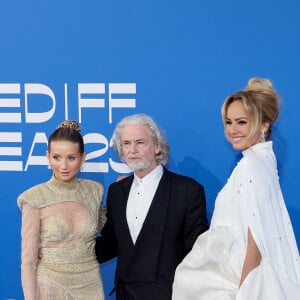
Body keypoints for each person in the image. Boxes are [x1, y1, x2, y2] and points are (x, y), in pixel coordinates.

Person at [172, 78, 300, 299]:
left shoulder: (252, 165)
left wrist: (243, 292)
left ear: (264, 124)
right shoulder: (263, 161)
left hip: (238, 284)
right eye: (228, 122)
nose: (232, 130)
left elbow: (256, 243)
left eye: (241, 122)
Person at [95, 113, 209, 300]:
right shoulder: (116, 191)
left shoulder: (187, 190)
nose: (132, 150)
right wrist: (62, 254)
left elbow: (198, 252)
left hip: (170, 294)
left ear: (156, 146)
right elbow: (111, 243)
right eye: (126, 143)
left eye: (140, 142)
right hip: (125, 294)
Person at [17, 120, 107, 299]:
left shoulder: (94, 191)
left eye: (71, 158)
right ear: (47, 156)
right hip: (50, 285)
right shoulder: (34, 198)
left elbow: (110, 230)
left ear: (83, 157)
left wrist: (125, 194)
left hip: (91, 285)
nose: (63, 166)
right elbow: (28, 261)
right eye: (56, 157)